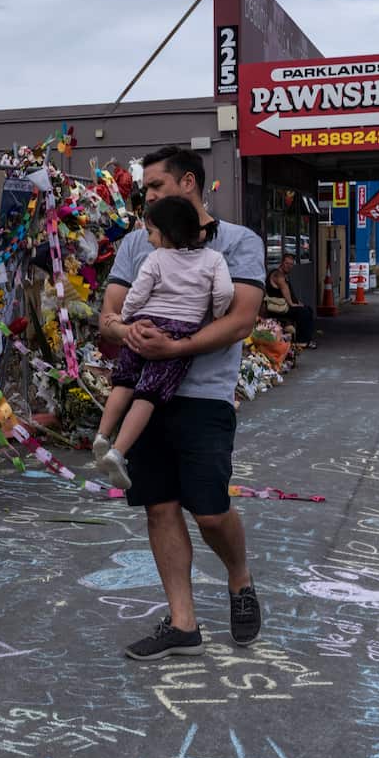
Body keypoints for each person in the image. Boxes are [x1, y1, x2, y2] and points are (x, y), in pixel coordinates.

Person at [99, 145, 264, 660]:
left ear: (188, 183)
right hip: (146, 392)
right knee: (160, 507)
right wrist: (131, 332)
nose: (146, 196)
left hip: (203, 395)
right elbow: (109, 313)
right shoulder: (136, 244)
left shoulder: (237, 242)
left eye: (154, 187)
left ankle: (239, 578)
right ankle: (184, 624)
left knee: (210, 512)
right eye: (144, 189)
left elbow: (240, 318)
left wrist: (176, 347)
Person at [93, 195, 234, 492]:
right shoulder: (213, 259)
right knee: (148, 395)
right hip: (176, 334)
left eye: (152, 233)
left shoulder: (156, 258)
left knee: (124, 382)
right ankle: (117, 452)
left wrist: (126, 320)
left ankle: (102, 435)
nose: (149, 239)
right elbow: (223, 292)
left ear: (169, 233)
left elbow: (137, 292)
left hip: (143, 324)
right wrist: (217, 313)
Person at [267, 253, 317, 348]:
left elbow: (290, 293)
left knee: (308, 309)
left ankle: (307, 339)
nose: (289, 266)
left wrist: (297, 302)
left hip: (284, 306)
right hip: (278, 308)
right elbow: (284, 288)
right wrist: (292, 304)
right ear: (282, 263)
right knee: (303, 312)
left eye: (291, 264)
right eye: (287, 263)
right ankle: (301, 341)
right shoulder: (278, 275)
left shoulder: (284, 275)